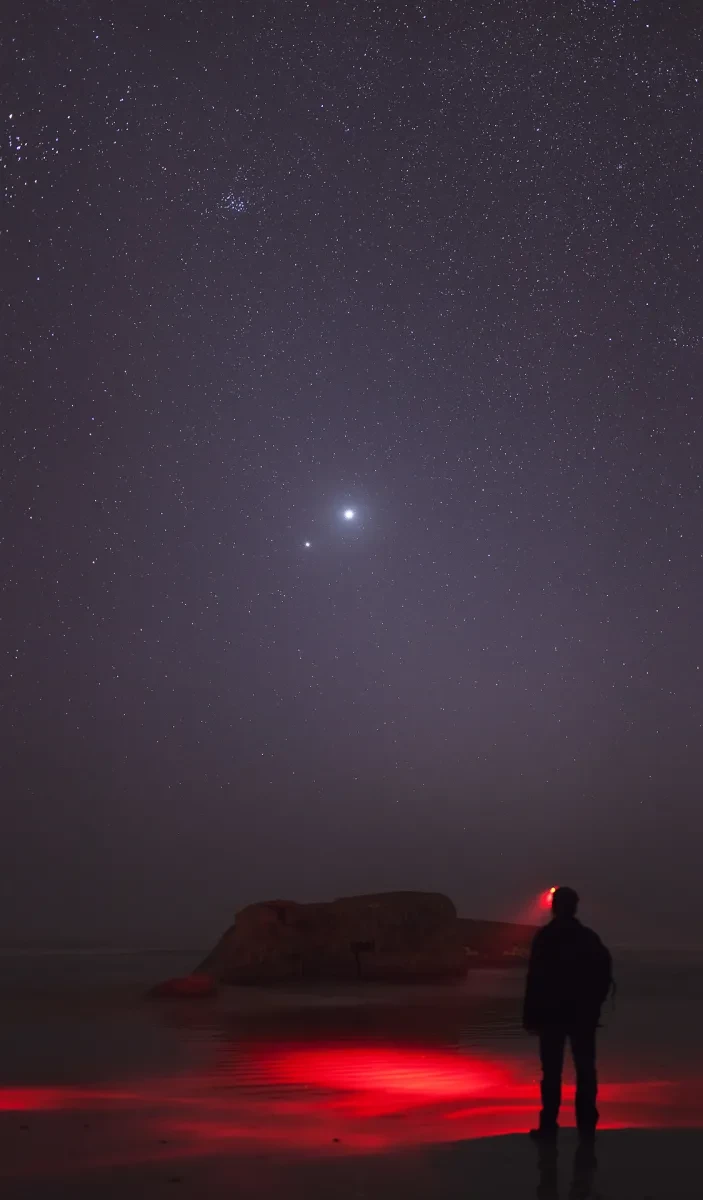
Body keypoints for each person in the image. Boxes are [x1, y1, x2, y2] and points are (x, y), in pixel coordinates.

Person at [523, 886, 612, 1141]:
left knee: (552, 1072)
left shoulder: (546, 937)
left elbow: (535, 979)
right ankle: (586, 1124)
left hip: (552, 1015)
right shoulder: (588, 938)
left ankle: (549, 1126)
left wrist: (530, 1015)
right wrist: (594, 1006)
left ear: (554, 907)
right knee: (585, 1069)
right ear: (574, 906)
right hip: (582, 1015)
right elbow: (603, 975)